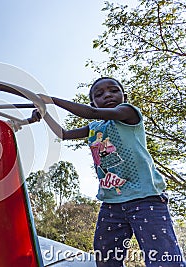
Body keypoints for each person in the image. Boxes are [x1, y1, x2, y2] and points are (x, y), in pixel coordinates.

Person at [38, 77, 185, 266]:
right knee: (106, 257)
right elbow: (63, 134)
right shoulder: (95, 128)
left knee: (163, 258)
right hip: (112, 203)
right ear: (94, 101)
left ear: (124, 96)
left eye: (113, 91)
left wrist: (52, 100)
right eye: (99, 94)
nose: (107, 95)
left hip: (145, 198)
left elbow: (90, 113)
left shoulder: (128, 113)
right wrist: (44, 113)